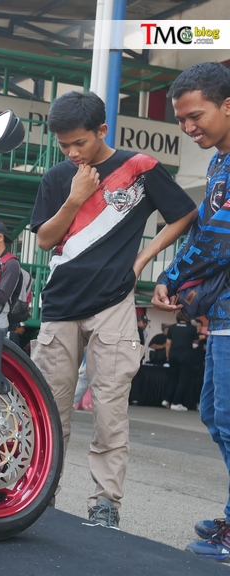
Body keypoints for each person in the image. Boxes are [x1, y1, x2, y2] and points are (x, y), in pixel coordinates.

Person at [29, 90, 197, 530]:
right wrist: (74, 196)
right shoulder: (57, 177)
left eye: (80, 142)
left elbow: (184, 214)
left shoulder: (139, 167)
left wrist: (141, 262)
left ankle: (105, 502)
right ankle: (41, 492)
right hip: (60, 305)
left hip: (114, 303)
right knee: (49, 411)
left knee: (109, 410)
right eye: (63, 145)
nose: (71, 152)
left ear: (102, 130)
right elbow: (44, 240)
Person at [150, 62, 230, 562]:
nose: (187, 127)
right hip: (221, 315)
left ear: (228, 105)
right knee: (214, 415)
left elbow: (220, 236)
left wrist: (172, 276)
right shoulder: (220, 162)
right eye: (180, 119)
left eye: (195, 116)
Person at [163, 311, 198, 411]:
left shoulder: (172, 327)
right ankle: (176, 402)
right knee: (182, 379)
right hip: (186, 356)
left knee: (172, 378)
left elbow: (168, 343)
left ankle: (166, 399)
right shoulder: (192, 328)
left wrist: (167, 356)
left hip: (173, 354)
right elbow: (196, 341)